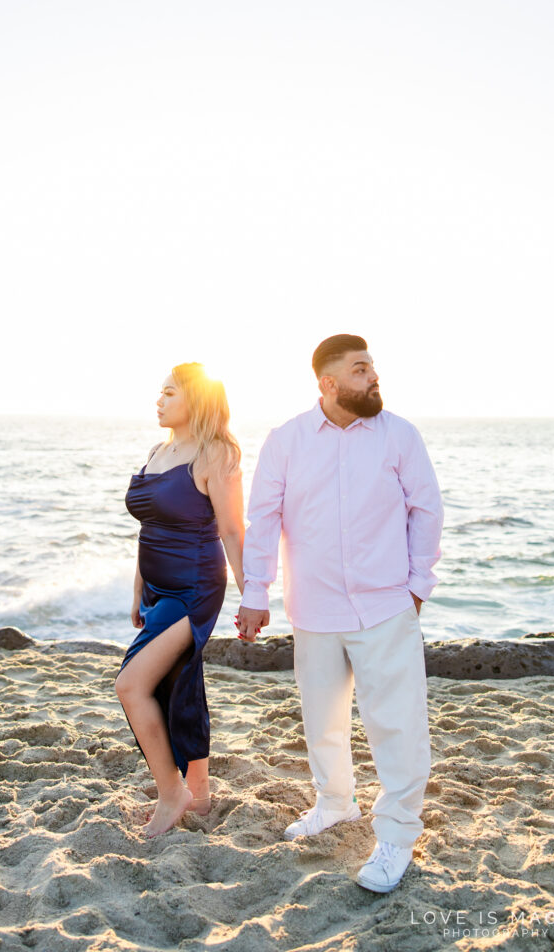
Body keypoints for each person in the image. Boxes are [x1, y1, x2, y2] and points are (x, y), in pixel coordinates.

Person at [236, 334, 443, 893]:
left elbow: (427, 509)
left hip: (385, 605)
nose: (372, 378)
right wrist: (256, 591)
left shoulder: (399, 435)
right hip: (314, 606)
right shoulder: (286, 441)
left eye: (372, 368)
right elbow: (264, 518)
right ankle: (335, 804)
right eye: (359, 370)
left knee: (397, 725)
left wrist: (417, 586)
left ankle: (397, 834)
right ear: (328, 383)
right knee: (322, 719)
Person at [116, 362, 244, 837]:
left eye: (169, 392)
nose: (159, 400)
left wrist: (251, 594)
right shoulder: (158, 450)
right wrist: (138, 591)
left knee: (131, 685)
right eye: (160, 392)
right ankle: (201, 792)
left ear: (196, 398)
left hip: (194, 588)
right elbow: (149, 529)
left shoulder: (217, 454)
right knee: (179, 683)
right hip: (155, 588)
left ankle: (172, 794)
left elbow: (232, 529)